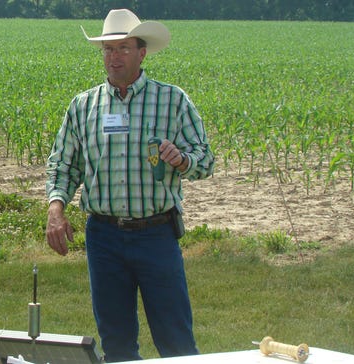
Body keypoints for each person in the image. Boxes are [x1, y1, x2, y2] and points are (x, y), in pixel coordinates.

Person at [45, 9, 215, 362]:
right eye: (108, 49)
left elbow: (205, 160)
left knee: (177, 342)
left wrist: (182, 160)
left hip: (156, 235)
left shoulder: (172, 101)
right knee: (117, 346)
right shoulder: (83, 106)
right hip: (103, 237)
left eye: (123, 48)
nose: (114, 56)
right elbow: (63, 165)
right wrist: (56, 209)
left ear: (142, 52)